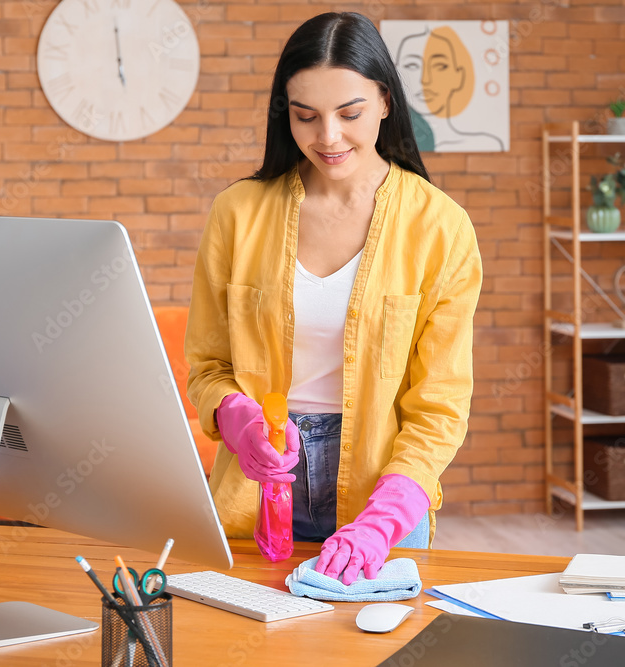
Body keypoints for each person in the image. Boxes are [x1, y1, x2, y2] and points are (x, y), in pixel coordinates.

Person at [184, 12, 482, 585]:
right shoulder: (238, 214)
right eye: (305, 116)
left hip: (381, 494)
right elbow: (208, 367)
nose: (328, 137)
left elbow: (440, 406)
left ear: (386, 102)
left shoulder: (441, 228)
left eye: (350, 114)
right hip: (255, 490)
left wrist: (383, 521)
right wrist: (236, 416)